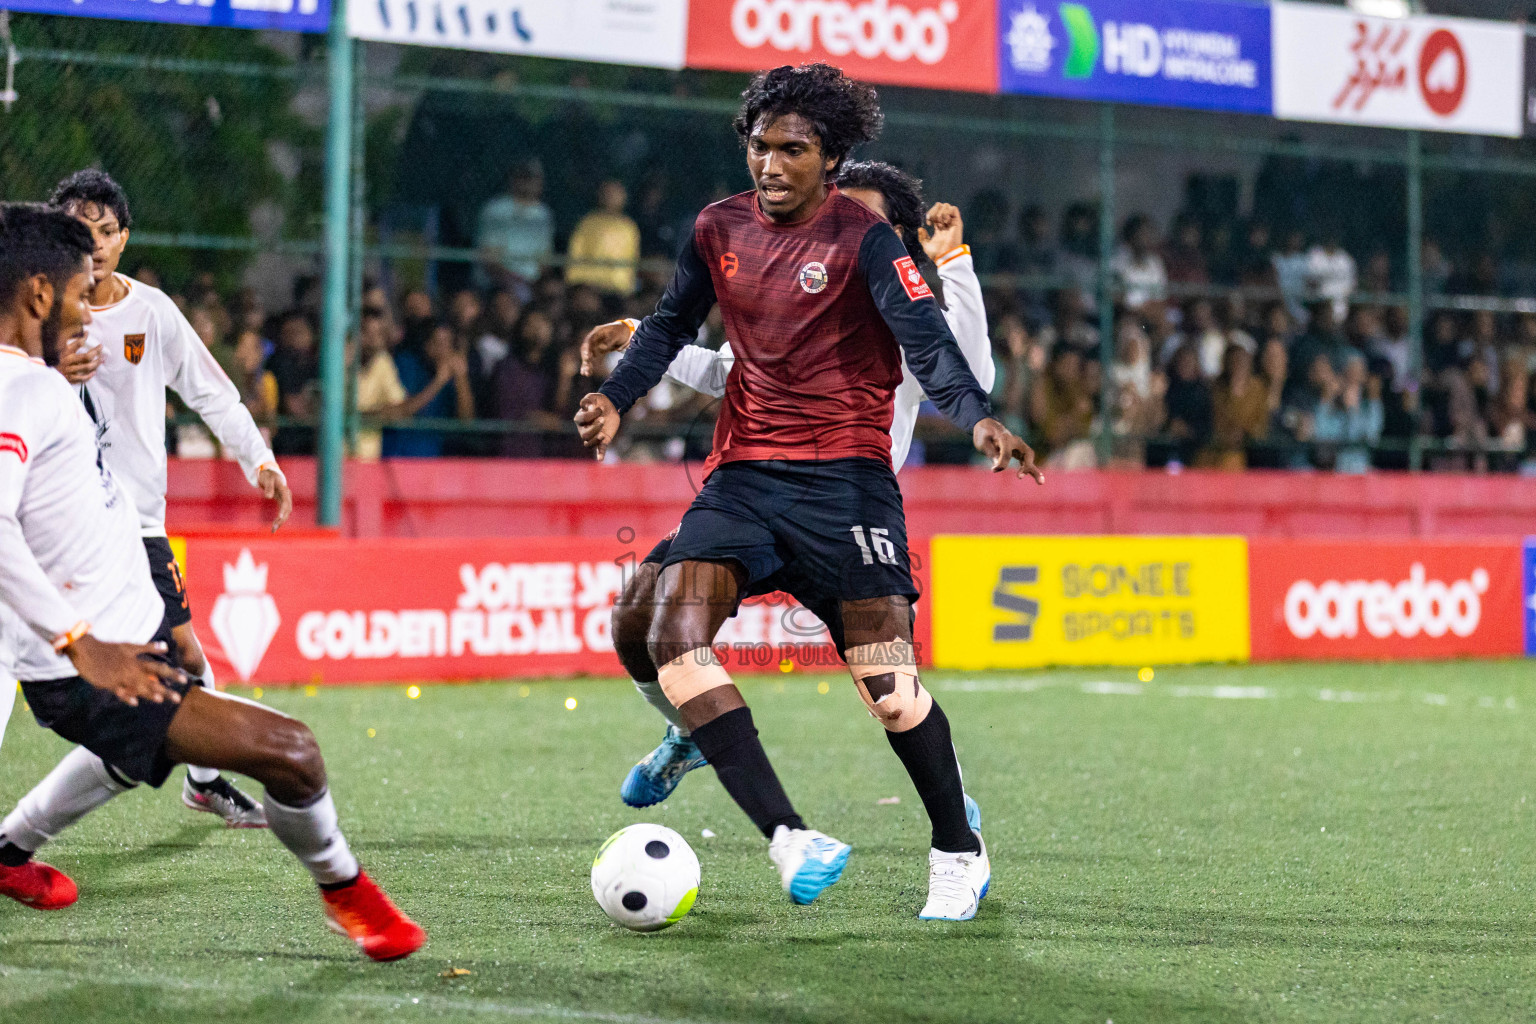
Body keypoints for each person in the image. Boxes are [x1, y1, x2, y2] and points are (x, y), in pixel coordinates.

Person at [574, 64, 1041, 921]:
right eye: (762, 145)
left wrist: (977, 416)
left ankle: (957, 846)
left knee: (889, 688)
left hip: (849, 496)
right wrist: (619, 385)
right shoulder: (722, 229)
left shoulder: (871, 253)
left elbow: (943, 352)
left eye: (794, 148)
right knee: (664, 629)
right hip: (744, 482)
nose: (773, 162)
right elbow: (707, 346)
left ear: (829, 159)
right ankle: (784, 831)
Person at [0, 203, 424, 960]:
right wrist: (81, 643)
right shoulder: (21, 390)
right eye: (73, 295)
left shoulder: (41, 374)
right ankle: (346, 894)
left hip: (128, 629)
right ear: (37, 297)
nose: (86, 310)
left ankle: (7, 852)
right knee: (292, 753)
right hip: (92, 662)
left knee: (139, 751)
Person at [581, 161, 994, 824]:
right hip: (752, 500)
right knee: (637, 618)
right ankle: (689, 734)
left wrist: (956, 265)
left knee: (889, 691)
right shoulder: (783, 304)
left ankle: (950, 803)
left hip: (843, 520)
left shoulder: (899, 320)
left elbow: (969, 370)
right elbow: (724, 371)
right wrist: (638, 337)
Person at [49, 169, 292, 827]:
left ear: (124, 239)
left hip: (137, 523)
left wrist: (258, 457)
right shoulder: (31, 313)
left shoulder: (151, 312)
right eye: (79, 230)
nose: (93, 243)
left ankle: (205, 781)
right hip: (54, 522)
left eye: (105, 231)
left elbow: (209, 389)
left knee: (185, 655)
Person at [384, 321, 475, 458]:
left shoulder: (452, 378)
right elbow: (403, 411)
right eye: (438, 343)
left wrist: (462, 379)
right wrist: (438, 381)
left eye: (448, 344)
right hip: (399, 455)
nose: (443, 350)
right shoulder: (406, 364)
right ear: (426, 344)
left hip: (433, 461)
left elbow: (467, 422)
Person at [476, 160, 554, 293]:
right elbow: (490, 262)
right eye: (524, 178)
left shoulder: (543, 214)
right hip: (498, 284)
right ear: (514, 180)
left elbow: (544, 260)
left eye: (534, 178)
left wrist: (537, 284)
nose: (529, 184)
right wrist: (517, 282)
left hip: (532, 285)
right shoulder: (496, 210)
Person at [566, 180, 641, 296]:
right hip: (589, 287)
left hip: (619, 290)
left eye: (616, 193)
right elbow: (575, 258)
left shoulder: (629, 227)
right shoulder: (587, 223)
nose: (612, 196)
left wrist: (627, 288)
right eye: (608, 192)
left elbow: (632, 263)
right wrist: (578, 284)